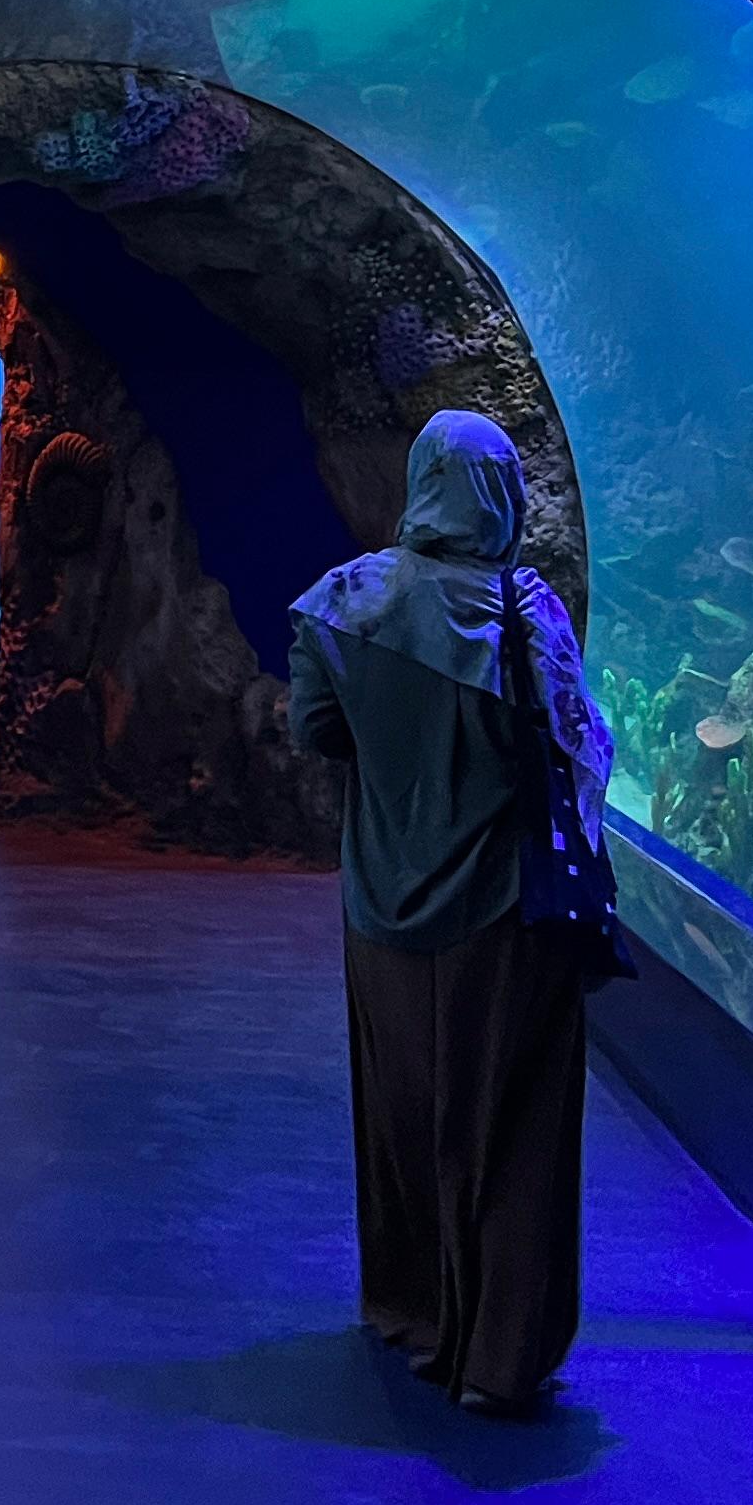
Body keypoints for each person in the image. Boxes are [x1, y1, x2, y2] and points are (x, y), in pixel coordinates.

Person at [284, 408, 615, 1416]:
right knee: (510, 1130)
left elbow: (315, 729)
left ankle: (411, 1311)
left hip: (380, 908)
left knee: (402, 1118)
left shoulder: (343, 602)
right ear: (504, 496)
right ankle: (497, 1359)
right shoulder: (527, 617)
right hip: (506, 922)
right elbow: (577, 755)